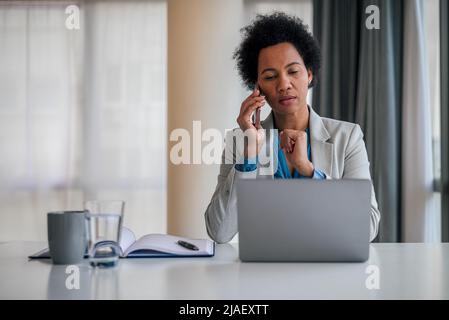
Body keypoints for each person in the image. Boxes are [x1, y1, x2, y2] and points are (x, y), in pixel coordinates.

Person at [204, 12, 380, 243]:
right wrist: (249, 156)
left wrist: (308, 170)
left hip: (328, 270)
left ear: (309, 74)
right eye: (270, 76)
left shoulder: (347, 137)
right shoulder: (241, 141)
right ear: (257, 88)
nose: (284, 84)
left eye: (293, 71)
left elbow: (367, 226)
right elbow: (219, 232)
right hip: (264, 272)